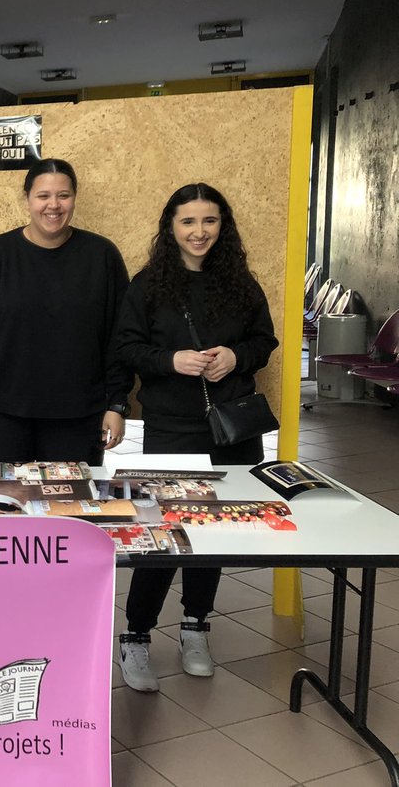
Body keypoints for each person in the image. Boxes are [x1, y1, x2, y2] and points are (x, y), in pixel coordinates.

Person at [113, 182, 278, 693]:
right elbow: (125, 348)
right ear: (171, 227)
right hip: (172, 427)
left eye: (209, 221)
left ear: (222, 226)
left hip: (231, 431)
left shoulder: (241, 284)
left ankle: (195, 626)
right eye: (188, 221)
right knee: (164, 535)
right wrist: (171, 361)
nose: (199, 231)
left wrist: (236, 356)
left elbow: (264, 341)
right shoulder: (148, 286)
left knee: (213, 533)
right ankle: (136, 636)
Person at [0, 158, 132, 468]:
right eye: (43, 196)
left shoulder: (101, 255)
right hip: (2, 414)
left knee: (73, 499)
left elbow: (120, 338)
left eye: (63, 195)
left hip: (78, 417)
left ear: (74, 198)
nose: (54, 205)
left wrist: (116, 405)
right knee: (1, 498)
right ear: (27, 199)